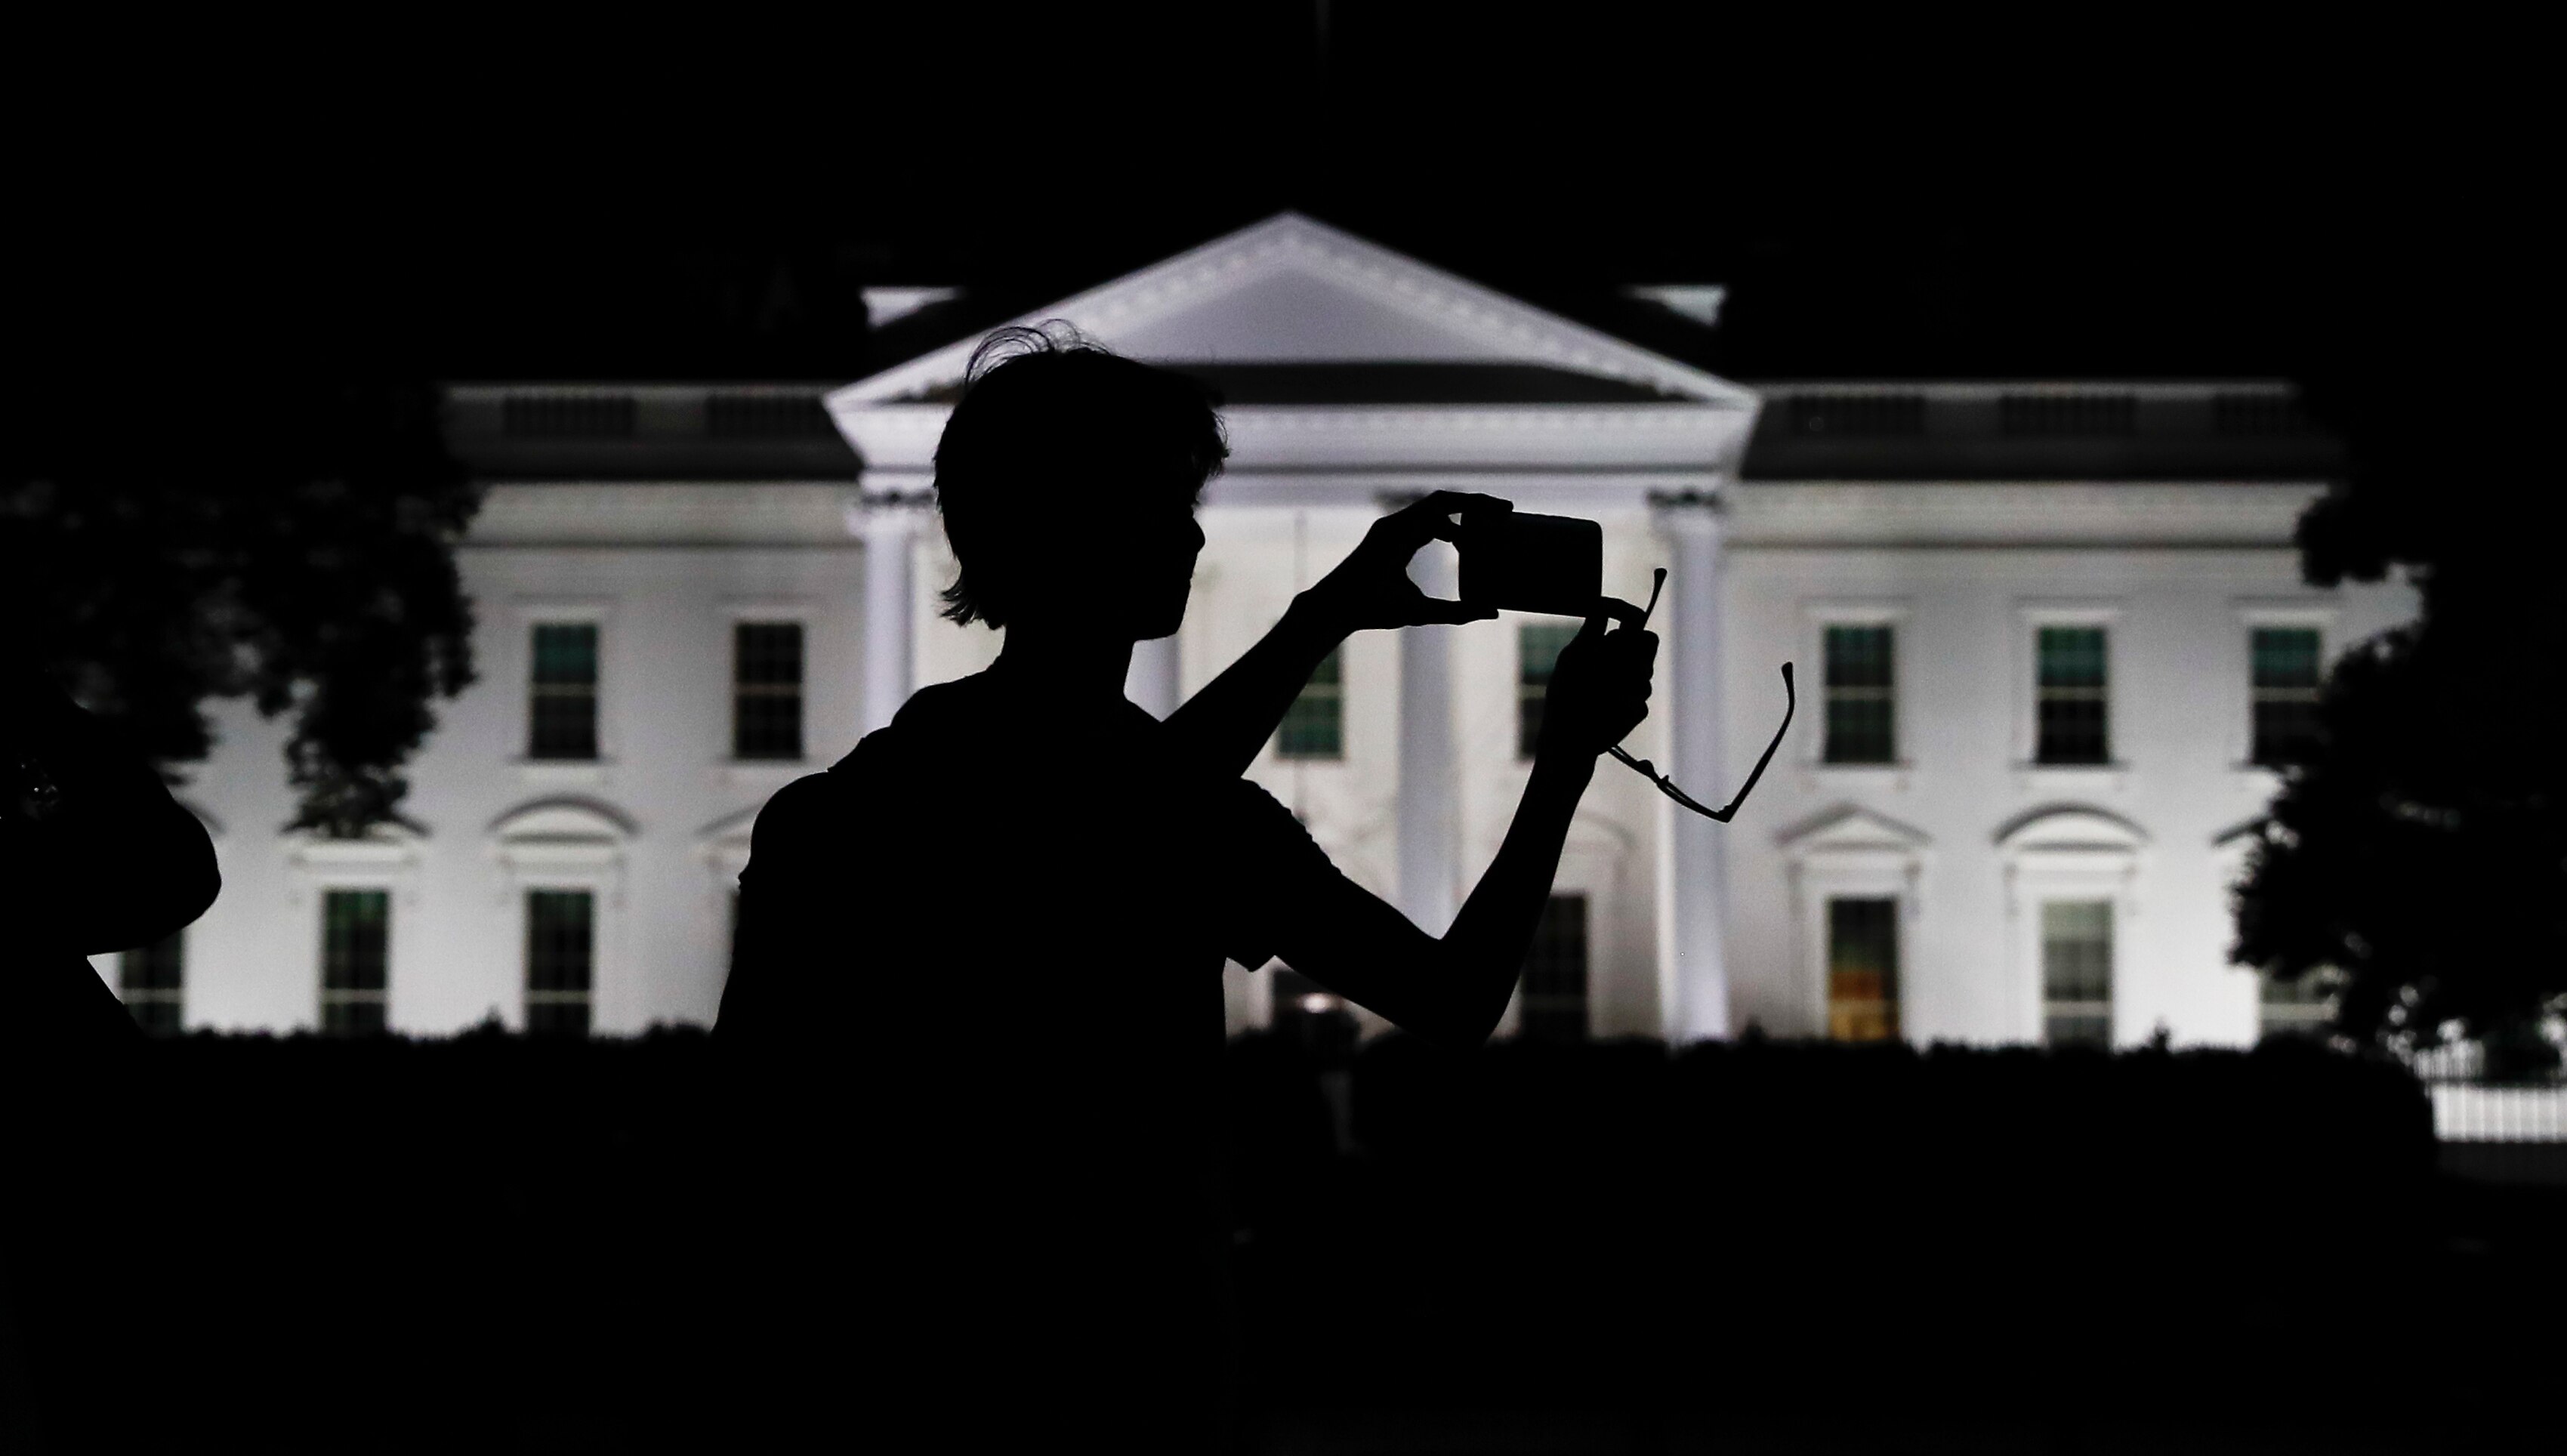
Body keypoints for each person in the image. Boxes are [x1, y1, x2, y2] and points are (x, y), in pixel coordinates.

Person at [711, 324, 1655, 1450]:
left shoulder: (840, 816)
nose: (1196, 534)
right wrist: (1560, 759)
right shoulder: (1183, 824)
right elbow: (1451, 995)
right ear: (1077, 525)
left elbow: (743, 1144)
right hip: (1100, 1376)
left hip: (904, 1381)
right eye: (1162, 503)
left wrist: (1331, 625)